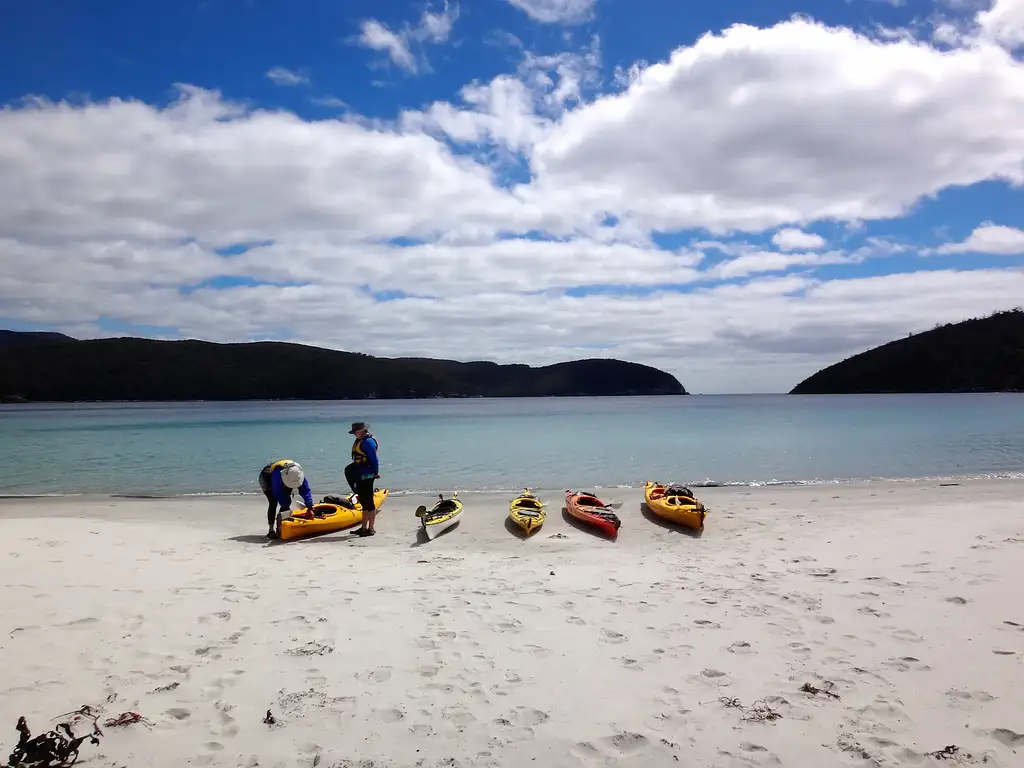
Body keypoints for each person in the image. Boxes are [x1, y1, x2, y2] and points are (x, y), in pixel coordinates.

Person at [258, 459, 314, 539]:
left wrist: (309, 506)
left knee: (286, 502)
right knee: (274, 501)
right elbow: (278, 492)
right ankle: (271, 530)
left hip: (284, 477)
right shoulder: (277, 475)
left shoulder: (297, 473)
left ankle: (281, 526)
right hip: (267, 478)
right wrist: (286, 505)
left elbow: (305, 490)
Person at [344, 422, 380, 536]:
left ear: (362, 431)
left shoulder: (368, 442)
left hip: (368, 475)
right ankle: (363, 528)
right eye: (354, 432)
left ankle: (371, 528)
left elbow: (374, 459)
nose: (354, 434)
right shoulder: (360, 441)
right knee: (364, 502)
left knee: (369, 502)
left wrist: (376, 472)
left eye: (356, 432)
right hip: (360, 474)